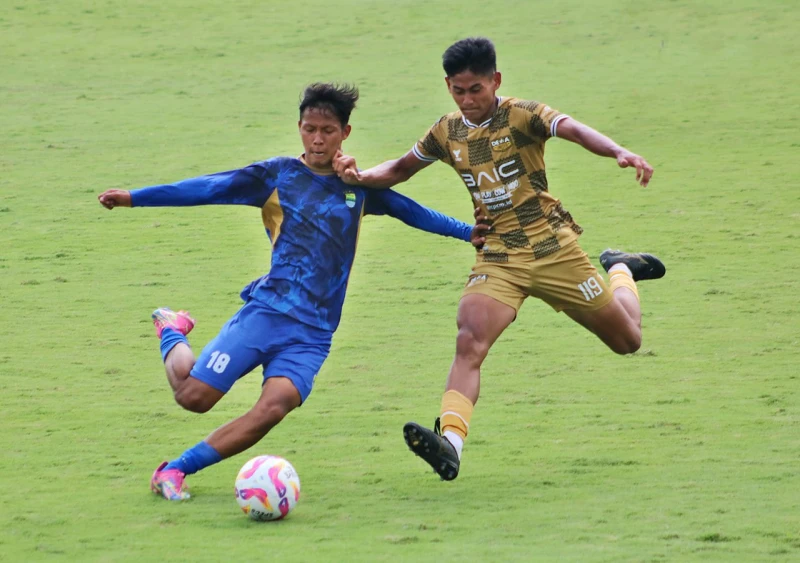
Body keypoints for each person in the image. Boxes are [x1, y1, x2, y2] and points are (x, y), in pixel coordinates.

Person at [97, 83, 487, 500]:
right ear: (299, 128)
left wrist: (469, 233)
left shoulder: (357, 186)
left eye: (327, 130)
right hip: (267, 314)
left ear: (345, 133)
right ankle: (172, 329)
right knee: (193, 398)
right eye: (309, 128)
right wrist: (134, 199)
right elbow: (207, 188)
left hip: (314, 333)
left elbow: (412, 211)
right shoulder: (276, 175)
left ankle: (174, 470)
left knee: (273, 408)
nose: (317, 139)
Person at [332, 38, 666, 481]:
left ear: (496, 81)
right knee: (469, 339)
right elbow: (397, 170)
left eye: (476, 89)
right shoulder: (446, 131)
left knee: (628, 341)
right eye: (458, 90)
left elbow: (574, 129)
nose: (467, 100)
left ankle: (620, 267)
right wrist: (358, 176)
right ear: (448, 86)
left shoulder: (524, 114)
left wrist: (617, 151)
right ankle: (450, 444)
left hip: (553, 249)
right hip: (499, 254)